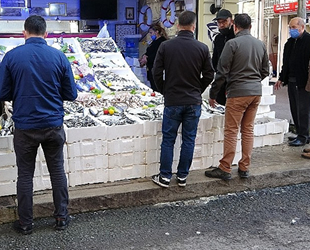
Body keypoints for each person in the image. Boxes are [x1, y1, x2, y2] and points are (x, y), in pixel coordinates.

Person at [0, 15, 77, 234]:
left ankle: (25, 224)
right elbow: (71, 94)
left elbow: (2, 92)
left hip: (25, 127)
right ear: (46, 33)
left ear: (24, 33)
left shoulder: (12, 57)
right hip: (53, 125)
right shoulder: (59, 57)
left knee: (25, 175)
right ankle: (61, 217)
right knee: (57, 171)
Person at [152, 11, 214, 187]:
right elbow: (209, 74)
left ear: (178, 25)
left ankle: (164, 176)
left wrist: (164, 89)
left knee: (168, 139)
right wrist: (198, 89)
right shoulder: (202, 48)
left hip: (173, 100)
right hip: (193, 101)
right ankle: (182, 177)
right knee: (189, 139)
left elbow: (156, 72)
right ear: (194, 27)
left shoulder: (166, 46)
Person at [205, 13, 269, 180]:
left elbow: (221, 72)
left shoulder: (232, 43)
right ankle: (244, 167)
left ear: (235, 26)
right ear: (250, 27)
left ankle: (225, 167)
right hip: (255, 92)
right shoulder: (260, 44)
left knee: (232, 130)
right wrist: (253, 81)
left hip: (238, 92)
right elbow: (265, 71)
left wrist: (213, 94)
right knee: (248, 130)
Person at [274, 17, 310, 147]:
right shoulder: (289, 43)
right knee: (294, 108)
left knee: (303, 109)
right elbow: (286, 63)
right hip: (291, 80)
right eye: (290, 27)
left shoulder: (308, 41)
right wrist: (281, 78)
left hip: (304, 82)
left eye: (294, 27)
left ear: (302, 27)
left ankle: (303, 136)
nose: (291, 30)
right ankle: (301, 132)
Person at [211, 9, 235, 105]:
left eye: (224, 21)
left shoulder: (236, 37)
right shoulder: (218, 38)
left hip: (233, 79)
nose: (221, 25)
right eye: (219, 22)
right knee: (220, 105)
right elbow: (215, 58)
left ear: (231, 21)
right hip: (221, 78)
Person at [139, 23, 168, 92]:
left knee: (157, 89)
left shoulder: (162, 42)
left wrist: (147, 59)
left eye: (151, 33)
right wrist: (143, 56)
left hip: (158, 71)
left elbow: (157, 56)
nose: (150, 35)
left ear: (157, 32)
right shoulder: (154, 42)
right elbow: (149, 52)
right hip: (151, 69)